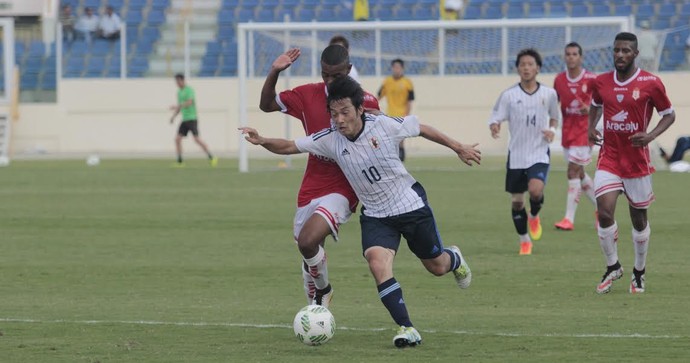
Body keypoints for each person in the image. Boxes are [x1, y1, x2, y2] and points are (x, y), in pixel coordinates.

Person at [242, 76, 480, 347]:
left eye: (345, 112)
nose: (339, 120)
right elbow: (290, 145)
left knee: (437, 266)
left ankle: (455, 258)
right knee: (377, 264)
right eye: (333, 114)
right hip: (377, 215)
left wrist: (458, 147)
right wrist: (261, 140)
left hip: (410, 206)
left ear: (359, 109)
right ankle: (407, 327)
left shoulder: (384, 125)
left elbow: (422, 128)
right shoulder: (331, 139)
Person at [258, 45, 380, 308]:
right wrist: (274, 72)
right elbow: (266, 105)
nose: (330, 82)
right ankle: (316, 311)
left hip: (344, 187)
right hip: (312, 185)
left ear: (348, 71)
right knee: (309, 252)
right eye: (326, 75)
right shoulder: (307, 94)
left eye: (336, 76)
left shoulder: (365, 101)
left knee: (308, 240)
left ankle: (323, 293)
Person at [588, 32, 675, 294]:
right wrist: (591, 127)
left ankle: (639, 271)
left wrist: (650, 136)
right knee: (604, 211)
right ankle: (613, 265)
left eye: (626, 51)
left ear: (635, 54)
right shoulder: (601, 82)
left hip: (637, 162)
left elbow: (669, 115)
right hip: (610, 157)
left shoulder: (651, 83)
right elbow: (595, 104)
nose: (620, 55)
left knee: (638, 220)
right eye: (616, 50)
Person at [488, 48, 560, 255]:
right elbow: (496, 116)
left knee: (536, 191)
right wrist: (495, 125)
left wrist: (552, 130)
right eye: (522, 65)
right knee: (518, 201)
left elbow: (555, 117)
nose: (526, 68)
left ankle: (535, 215)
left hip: (538, 152)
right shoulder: (509, 95)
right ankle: (524, 240)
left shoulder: (549, 94)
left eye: (530, 64)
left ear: (537, 68)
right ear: (518, 69)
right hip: (517, 155)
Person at [552, 42, 598, 231]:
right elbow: (554, 104)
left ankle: (568, 219)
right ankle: (602, 210)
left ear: (581, 57)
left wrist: (590, 110)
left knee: (572, 171)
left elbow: (603, 103)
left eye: (574, 54)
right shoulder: (559, 80)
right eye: (568, 54)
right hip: (568, 132)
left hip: (585, 132)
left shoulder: (592, 79)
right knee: (579, 173)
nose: (571, 57)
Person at [169, 74, 218, 167]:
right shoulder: (179, 92)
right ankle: (180, 161)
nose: (177, 83)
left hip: (192, 118)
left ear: (182, 81)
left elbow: (189, 102)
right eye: (176, 82)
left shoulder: (189, 90)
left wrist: (177, 106)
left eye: (178, 81)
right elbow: (180, 106)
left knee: (197, 139)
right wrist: (173, 117)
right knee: (177, 139)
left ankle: (212, 157)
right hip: (184, 119)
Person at [378, 59, 414, 161]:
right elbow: (379, 96)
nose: (396, 69)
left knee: (401, 138)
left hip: (402, 115)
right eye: (394, 67)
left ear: (402, 69)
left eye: (398, 67)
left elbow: (409, 101)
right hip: (390, 115)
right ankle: (392, 158)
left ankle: (401, 157)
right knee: (391, 139)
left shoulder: (407, 83)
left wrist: (407, 114)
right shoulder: (387, 81)